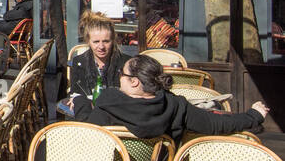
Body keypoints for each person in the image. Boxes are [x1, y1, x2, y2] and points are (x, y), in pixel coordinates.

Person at [72, 54, 269, 145]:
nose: (118, 78)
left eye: (121, 75)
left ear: (134, 82)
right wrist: (253, 115)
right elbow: (215, 123)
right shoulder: (175, 105)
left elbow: (87, 133)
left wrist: (80, 102)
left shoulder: (108, 103)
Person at [69, 11, 129, 102]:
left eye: (106, 41)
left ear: (113, 40)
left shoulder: (126, 63)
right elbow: (75, 93)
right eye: (96, 42)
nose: (101, 47)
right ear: (88, 41)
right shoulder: (78, 62)